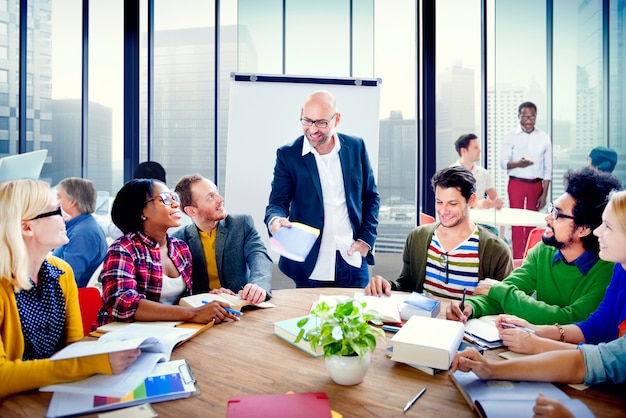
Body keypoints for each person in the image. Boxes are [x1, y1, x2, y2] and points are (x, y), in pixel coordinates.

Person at [0, 179, 140, 398]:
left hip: (56, 392)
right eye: (56, 211)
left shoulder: (62, 272)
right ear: (27, 227)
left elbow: (74, 346)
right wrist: (92, 363)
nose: (65, 217)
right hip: (15, 402)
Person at [447, 167, 622, 325]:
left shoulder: (609, 269)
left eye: (558, 215)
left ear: (583, 229)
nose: (548, 218)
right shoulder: (543, 251)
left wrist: (501, 291)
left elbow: (571, 319)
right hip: (534, 345)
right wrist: (470, 306)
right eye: (552, 209)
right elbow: (502, 292)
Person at [265, 90, 380, 288]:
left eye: (321, 122)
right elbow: (277, 203)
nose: (313, 129)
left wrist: (366, 240)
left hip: (351, 258)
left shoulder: (356, 147)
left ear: (337, 119)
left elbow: (371, 197)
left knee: (359, 318)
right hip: (310, 264)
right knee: (311, 319)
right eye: (307, 121)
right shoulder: (288, 155)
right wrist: (275, 222)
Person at [494, 190, 626, 356]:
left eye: (608, 226)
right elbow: (596, 327)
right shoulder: (621, 270)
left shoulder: (608, 267)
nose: (597, 231)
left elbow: (612, 357)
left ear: (583, 229)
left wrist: (538, 344)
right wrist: (535, 330)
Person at [96, 178, 238, 327]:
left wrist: (208, 298)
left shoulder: (180, 248)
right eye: (165, 199)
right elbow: (122, 304)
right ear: (142, 210)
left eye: (173, 197)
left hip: (171, 332)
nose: (176, 204)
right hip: (123, 339)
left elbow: (183, 300)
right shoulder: (123, 249)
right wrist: (194, 313)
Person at [364, 166, 513, 300]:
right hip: (426, 322)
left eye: (452, 204)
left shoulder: (496, 250)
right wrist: (386, 286)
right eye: (439, 202)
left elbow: (505, 302)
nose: (443, 210)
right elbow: (407, 285)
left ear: (471, 200)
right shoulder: (418, 238)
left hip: (470, 326)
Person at [173, 173, 273, 304]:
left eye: (216, 192)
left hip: (243, 303)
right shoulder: (178, 241)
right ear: (192, 211)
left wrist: (258, 285)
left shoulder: (242, 224)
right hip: (204, 310)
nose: (220, 199)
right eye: (210, 197)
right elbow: (182, 289)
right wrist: (209, 295)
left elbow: (259, 256)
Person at [500, 101, 552, 259]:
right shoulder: (510, 136)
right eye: (525, 117)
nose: (529, 121)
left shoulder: (544, 138)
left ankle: (529, 258)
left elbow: (547, 168)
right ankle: (517, 259)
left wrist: (544, 194)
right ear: (519, 116)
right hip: (516, 182)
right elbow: (503, 163)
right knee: (516, 223)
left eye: (532, 117)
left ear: (536, 117)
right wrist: (519, 164)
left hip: (536, 185)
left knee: (530, 222)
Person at [52, 177, 108, 288]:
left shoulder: (81, 235)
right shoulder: (83, 225)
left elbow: (67, 281)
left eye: (59, 197)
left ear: (72, 202)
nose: (55, 202)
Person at [452, 133, 503, 210]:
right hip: (459, 218)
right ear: (463, 151)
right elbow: (451, 199)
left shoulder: (483, 173)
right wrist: (476, 203)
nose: (479, 150)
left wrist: (498, 201)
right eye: (475, 148)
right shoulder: (451, 173)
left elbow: (493, 195)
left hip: (481, 219)